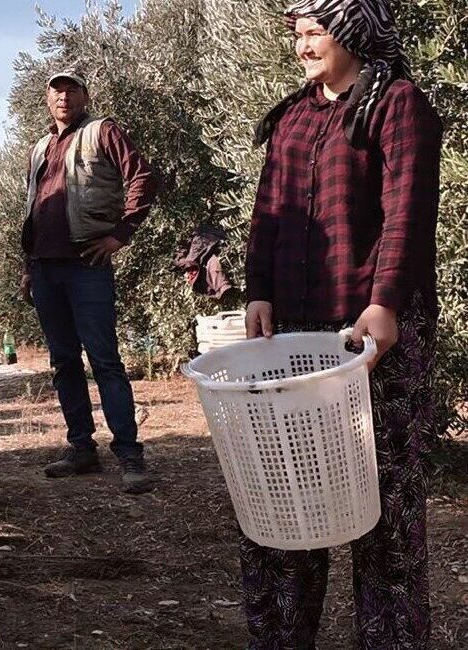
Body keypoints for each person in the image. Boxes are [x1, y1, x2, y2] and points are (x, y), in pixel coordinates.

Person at [243, 0, 443, 646]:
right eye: (297, 35)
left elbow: (405, 214)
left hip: (370, 337)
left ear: (354, 32)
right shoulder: (293, 117)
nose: (303, 47)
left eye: (314, 33)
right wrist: (258, 292)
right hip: (298, 341)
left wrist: (384, 301)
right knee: (287, 498)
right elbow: (266, 215)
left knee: (381, 504)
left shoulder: (398, 105)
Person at [19, 70, 160, 494]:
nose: (63, 96)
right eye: (56, 90)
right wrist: (28, 265)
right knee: (63, 363)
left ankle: (130, 455)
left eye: (72, 89)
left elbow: (144, 178)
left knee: (105, 361)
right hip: (46, 268)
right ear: (47, 100)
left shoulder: (103, 131)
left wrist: (121, 234)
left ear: (85, 95)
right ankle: (81, 448)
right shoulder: (41, 147)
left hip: (86, 265)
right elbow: (32, 208)